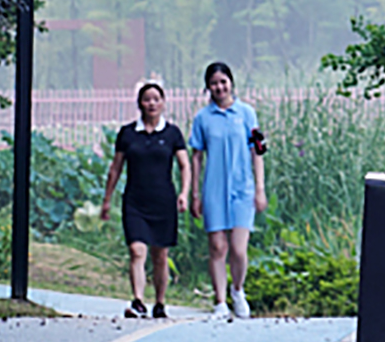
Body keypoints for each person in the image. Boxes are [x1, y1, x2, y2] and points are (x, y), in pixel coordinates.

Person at [100, 77, 191, 318]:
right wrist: (107, 199)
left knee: (160, 255)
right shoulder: (128, 134)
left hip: (163, 201)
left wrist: (184, 193)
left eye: (156, 99)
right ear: (139, 104)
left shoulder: (172, 133)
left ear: (163, 103)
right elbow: (116, 167)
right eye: (146, 99)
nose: (151, 104)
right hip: (135, 201)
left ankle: (159, 302)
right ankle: (138, 300)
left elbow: (184, 164)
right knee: (137, 250)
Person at [185, 60, 266, 319]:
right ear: (208, 87)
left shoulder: (246, 113)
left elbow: (258, 152)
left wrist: (260, 189)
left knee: (239, 249)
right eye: (214, 84)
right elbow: (196, 156)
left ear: (231, 82)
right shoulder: (203, 118)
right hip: (214, 189)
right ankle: (219, 302)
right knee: (217, 247)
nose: (219, 87)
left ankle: (237, 290)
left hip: (242, 187)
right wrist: (194, 194)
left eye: (223, 82)